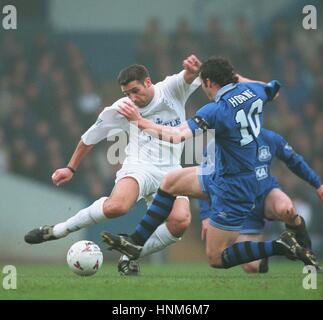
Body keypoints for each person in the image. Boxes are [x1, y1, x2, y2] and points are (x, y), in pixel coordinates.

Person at [102, 56, 319, 269]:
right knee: (170, 182)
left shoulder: (216, 110)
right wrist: (235, 77)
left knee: (216, 258)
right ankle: (135, 241)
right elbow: (273, 89)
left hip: (234, 185)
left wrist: (139, 121)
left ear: (208, 83)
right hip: (220, 171)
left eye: (203, 84)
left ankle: (280, 246)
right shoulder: (252, 91)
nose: (204, 91)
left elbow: (177, 135)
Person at [24, 55, 202, 275]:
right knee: (117, 207)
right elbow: (88, 138)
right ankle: (59, 230)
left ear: (148, 82)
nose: (132, 98)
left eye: (135, 90)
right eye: (127, 93)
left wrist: (193, 69)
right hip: (140, 167)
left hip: (172, 170)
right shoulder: (122, 108)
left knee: (180, 222)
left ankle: (129, 255)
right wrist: (70, 168)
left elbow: (189, 76)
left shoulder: (171, 90)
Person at [199, 130, 323, 273]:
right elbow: (201, 179)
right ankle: (271, 251)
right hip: (239, 207)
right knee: (252, 266)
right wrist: (205, 215)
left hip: (266, 194)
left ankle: (309, 258)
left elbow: (294, 160)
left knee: (287, 208)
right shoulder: (216, 144)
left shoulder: (268, 138)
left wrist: (317, 184)